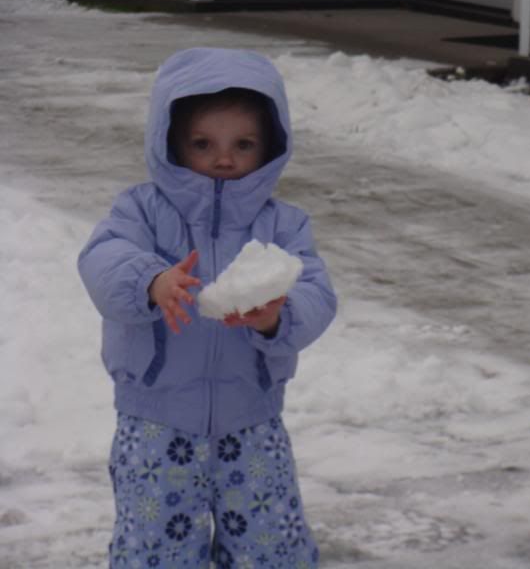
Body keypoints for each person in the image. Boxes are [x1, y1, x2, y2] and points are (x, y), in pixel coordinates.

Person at [78, 47, 337, 568]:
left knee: (268, 545)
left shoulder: (282, 225)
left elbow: (317, 291)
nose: (224, 158)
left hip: (252, 419)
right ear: (171, 143)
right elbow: (101, 262)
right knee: (157, 547)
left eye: (243, 144)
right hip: (156, 421)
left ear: (270, 149)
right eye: (204, 143)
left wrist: (276, 317)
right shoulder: (140, 212)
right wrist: (151, 280)